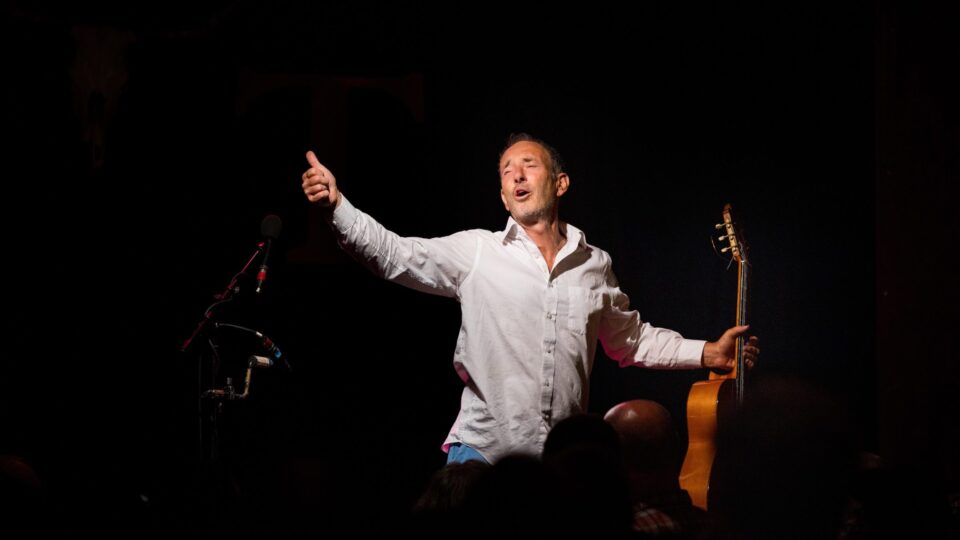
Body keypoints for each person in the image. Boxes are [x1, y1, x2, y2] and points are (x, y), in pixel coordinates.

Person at [300, 133, 759, 465]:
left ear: (560, 183)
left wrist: (708, 352)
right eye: (507, 171)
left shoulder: (594, 264)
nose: (517, 175)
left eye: (529, 165)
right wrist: (337, 207)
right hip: (483, 457)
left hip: (560, 464)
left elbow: (631, 340)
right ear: (504, 197)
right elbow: (394, 255)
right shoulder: (478, 251)